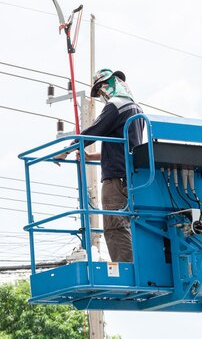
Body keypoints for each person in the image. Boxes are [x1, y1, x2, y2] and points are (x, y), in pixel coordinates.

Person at [55, 68, 144, 262]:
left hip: (116, 180)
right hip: (133, 177)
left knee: (115, 226)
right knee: (130, 225)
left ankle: (126, 272)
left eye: (102, 90)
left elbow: (95, 130)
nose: (103, 94)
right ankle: (135, 268)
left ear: (108, 85)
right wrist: (91, 157)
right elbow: (123, 148)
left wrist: (67, 149)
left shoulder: (116, 105)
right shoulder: (136, 109)